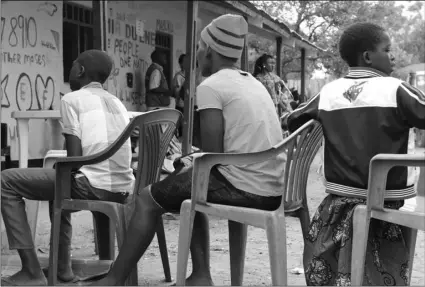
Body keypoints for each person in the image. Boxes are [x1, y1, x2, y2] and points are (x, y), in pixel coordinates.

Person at [92, 14, 286, 286]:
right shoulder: (252, 83)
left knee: (149, 198)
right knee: (190, 182)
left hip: (244, 186)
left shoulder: (211, 87)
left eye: (198, 48)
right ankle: (200, 275)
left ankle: (114, 279)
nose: (195, 54)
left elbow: (211, 155)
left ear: (208, 51)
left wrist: (189, 162)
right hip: (271, 186)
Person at [286, 22, 425, 286]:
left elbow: (293, 120)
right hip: (387, 199)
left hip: (339, 197)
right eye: (388, 49)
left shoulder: (328, 92)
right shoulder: (396, 89)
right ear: (368, 56)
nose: (393, 55)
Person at [1, 50, 135, 286]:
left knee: (6, 180)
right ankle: (62, 269)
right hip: (123, 187)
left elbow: (75, 158)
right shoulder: (117, 102)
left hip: (91, 185)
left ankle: (31, 271)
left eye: (72, 66)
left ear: (80, 71)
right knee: (58, 186)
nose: (70, 70)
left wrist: (55, 166)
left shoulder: (71, 99)